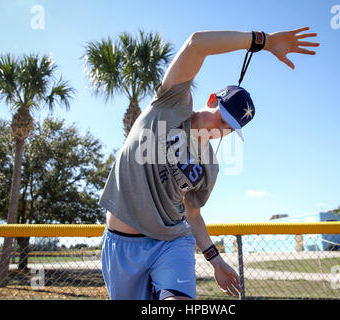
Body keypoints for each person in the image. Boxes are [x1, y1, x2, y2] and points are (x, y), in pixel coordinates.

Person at [99, 28, 319, 300]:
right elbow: (196, 44)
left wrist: (216, 261)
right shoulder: (172, 103)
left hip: (172, 243)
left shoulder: (209, 166)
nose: (222, 129)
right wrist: (263, 41)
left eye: (231, 128)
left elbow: (192, 215)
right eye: (222, 117)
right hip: (122, 244)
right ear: (212, 100)